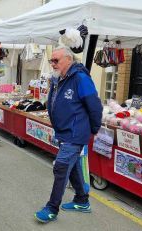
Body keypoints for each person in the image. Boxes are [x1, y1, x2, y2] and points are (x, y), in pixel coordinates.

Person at [34, 45, 102, 223]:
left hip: (75, 132)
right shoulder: (58, 78)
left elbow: (94, 106)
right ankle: (82, 200)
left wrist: (93, 129)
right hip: (63, 132)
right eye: (51, 60)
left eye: (56, 60)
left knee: (62, 166)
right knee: (72, 166)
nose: (53, 64)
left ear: (69, 60)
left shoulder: (80, 78)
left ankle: (51, 208)